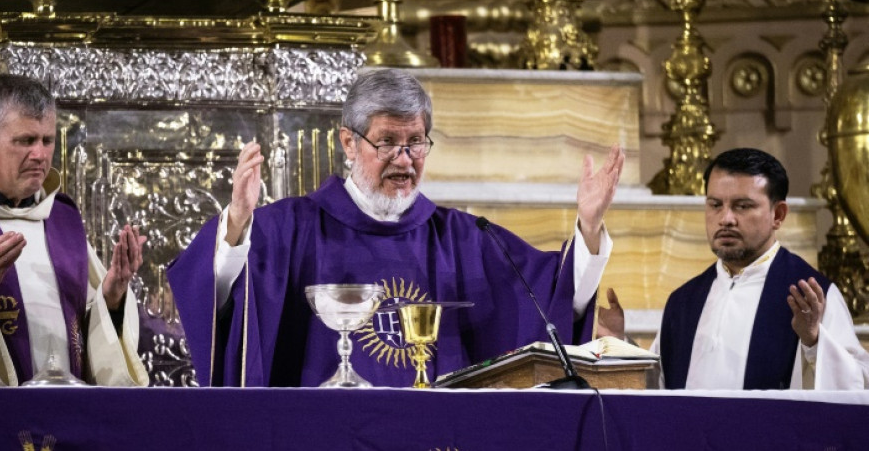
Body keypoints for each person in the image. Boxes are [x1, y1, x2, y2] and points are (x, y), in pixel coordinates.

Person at [169, 68, 625, 387]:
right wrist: (236, 224)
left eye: (416, 142)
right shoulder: (289, 229)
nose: (404, 159)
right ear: (348, 141)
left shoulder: (465, 238)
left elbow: (550, 300)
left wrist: (588, 225)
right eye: (387, 141)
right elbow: (218, 303)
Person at [0, 74, 149, 387]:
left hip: (64, 414)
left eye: (47, 140)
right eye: (25, 140)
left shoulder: (60, 218)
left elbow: (93, 338)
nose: (40, 155)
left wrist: (112, 294)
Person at [599, 147, 869, 389]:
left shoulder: (811, 295)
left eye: (742, 206)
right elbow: (662, 387)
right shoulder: (684, 301)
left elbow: (857, 385)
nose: (726, 219)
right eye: (715, 205)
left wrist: (814, 342)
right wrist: (622, 346)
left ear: (778, 215)